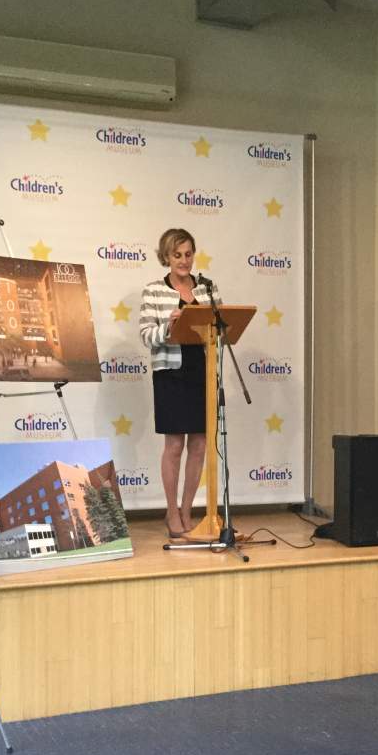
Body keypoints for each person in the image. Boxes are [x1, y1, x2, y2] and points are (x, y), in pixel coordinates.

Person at [139, 228, 221, 539]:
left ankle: (188, 510)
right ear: (166, 257)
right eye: (177, 255)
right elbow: (146, 335)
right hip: (171, 372)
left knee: (199, 444)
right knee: (174, 445)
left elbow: (221, 327)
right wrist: (168, 327)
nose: (184, 261)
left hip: (201, 370)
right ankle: (171, 511)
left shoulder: (209, 289)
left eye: (188, 254)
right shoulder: (154, 291)